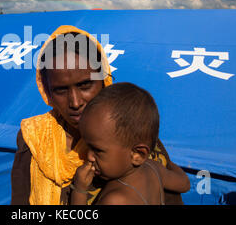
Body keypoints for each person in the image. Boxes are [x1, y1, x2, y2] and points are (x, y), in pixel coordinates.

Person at [11, 25, 184, 205]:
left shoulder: (134, 132)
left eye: (85, 85)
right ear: (47, 92)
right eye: (60, 90)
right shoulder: (35, 138)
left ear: (104, 81)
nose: (75, 102)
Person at [71, 82, 190, 205]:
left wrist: (80, 189)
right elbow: (185, 184)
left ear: (137, 154)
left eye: (98, 150)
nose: (89, 156)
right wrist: (168, 162)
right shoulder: (154, 168)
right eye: (87, 146)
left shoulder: (115, 200)